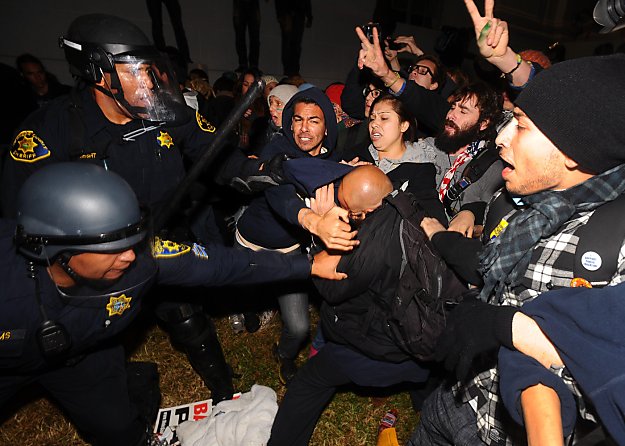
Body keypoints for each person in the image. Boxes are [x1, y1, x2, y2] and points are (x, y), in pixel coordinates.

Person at [0, 13, 274, 405]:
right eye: (138, 70)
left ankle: (224, 392)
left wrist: (251, 172)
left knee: (186, 316)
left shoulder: (163, 113)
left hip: (159, 240)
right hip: (92, 266)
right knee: (97, 348)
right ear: (99, 73)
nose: (151, 80)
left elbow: (212, 151)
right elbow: (20, 218)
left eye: (151, 68)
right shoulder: (48, 133)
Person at [0, 163, 344, 446]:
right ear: (55, 249)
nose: (131, 256)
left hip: (85, 353)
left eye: (132, 240)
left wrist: (309, 266)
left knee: (117, 428)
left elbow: (225, 266)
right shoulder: (9, 288)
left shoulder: (145, 259)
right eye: (113, 248)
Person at [410, 53, 625, 446]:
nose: (500, 138)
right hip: (457, 398)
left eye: (522, 126)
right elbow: (488, 272)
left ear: (573, 150)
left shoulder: (616, 242)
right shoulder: (514, 203)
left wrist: (511, 330)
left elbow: (609, 387)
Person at [268, 166, 434, 446]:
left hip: (380, 355)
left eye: (345, 207)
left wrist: (320, 231)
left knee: (307, 383)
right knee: (427, 379)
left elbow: (329, 287)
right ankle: (426, 402)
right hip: (424, 346)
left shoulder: (366, 247)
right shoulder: (412, 207)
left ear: (363, 214)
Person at [235, 87, 356, 384]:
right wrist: (313, 219)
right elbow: (282, 195)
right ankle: (248, 309)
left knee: (300, 327)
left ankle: (285, 355)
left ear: (327, 125)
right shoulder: (276, 152)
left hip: (289, 254)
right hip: (250, 244)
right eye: (297, 119)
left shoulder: (337, 160)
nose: (304, 129)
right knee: (244, 294)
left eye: (313, 121)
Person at [342, 94, 446, 223]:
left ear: (403, 126)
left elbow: (434, 218)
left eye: (384, 118)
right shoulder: (355, 156)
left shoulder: (421, 169)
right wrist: (342, 174)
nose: (374, 124)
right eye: (372, 118)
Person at [274, 0, 312, 76]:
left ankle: (293, 70)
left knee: (294, 44)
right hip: (289, 13)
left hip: (297, 13)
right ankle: (289, 70)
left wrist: (309, 15)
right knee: (289, 43)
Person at [232, 0, 262, 72]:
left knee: (254, 37)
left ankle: (253, 65)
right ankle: (243, 64)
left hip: (252, 4)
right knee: (240, 36)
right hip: (240, 3)